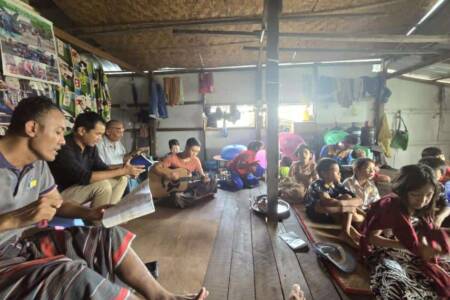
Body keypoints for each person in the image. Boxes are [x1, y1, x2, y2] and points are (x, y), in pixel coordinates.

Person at [0, 96, 208, 299]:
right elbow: (84, 178)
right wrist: (14, 219)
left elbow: (58, 204)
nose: (63, 141)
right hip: (5, 261)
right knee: (69, 275)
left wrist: (89, 212)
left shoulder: (37, 164)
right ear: (32, 128)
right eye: (58, 132)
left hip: (22, 246)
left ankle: (163, 297)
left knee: (108, 235)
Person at [359, 164, 449, 299]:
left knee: (442, 268)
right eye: (415, 194)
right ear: (403, 190)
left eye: (428, 195)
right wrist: (406, 246)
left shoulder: (423, 207)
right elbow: (371, 239)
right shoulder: (390, 206)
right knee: (395, 280)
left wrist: (425, 246)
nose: (422, 200)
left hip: (411, 249)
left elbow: (422, 236)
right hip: (383, 250)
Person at [49, 112, 145, 208]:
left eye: (101, 135)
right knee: (102, 186)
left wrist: (126, 170)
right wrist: (122, 170)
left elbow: (102, 168)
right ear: (82, 131)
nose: (100, 139)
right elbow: (84, 177)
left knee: (122, 179)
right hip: (59, 195)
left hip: (80, 188)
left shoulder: (90, 147)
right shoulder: (64, 147)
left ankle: (110, 215)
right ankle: (97, 221)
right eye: (98, 134)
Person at [304, 158, 364, 248]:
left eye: (339, 171)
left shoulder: (337, 185)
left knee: (347, 197)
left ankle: (347, 232)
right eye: (336, 171)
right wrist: (346, 206)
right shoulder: (317, 183)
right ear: (324, 173)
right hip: (318, 213)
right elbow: (327, 202)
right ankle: (352, 228)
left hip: (333, 212)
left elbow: (359, 200)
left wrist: (344, 204)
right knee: (334, 205)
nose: (339, 174)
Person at [151, 137, 216, 208]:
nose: (195, 154)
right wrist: (167, 175)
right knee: (177, 196)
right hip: (174, 189)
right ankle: (190, 198)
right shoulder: (172, 158)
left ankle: (185, 198)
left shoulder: (196, 160)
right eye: (193, 150)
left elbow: (202, 175)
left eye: (197, 152)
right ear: (186, 147)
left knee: (212, 179)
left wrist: (205, 178)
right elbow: (155, 168)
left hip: (187, 186)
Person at [418, 156, 450, 228]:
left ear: (441, 175)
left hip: (426, 222)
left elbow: (447, 205)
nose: (428, 179)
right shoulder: (410, 185)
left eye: (433, 177)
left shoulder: (440, 188)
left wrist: (440, 217)